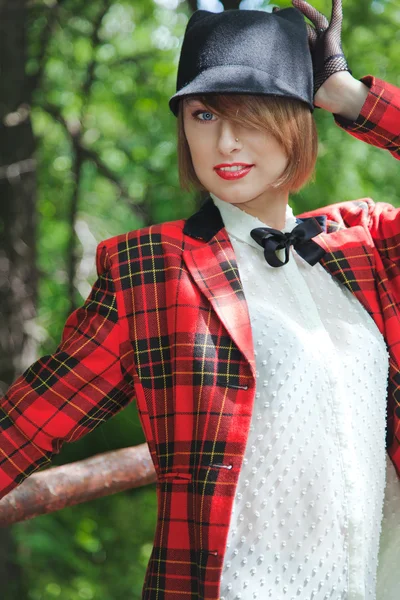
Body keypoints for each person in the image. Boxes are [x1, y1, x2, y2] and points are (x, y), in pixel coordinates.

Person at [0, 1, 399, 598]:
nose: (227, 140)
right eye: (204, 113)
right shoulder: (152, 269)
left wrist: (352, 97)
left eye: (255, 113)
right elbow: (27, 423)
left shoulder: (365, 242)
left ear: (300, 119)